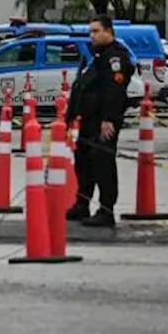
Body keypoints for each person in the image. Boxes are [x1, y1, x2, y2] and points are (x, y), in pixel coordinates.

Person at [66, 14, 134, 228]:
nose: (92, 36)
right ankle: (82, 204)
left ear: (108, 31)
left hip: (103, 121)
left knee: (103, 164)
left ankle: (106, 211)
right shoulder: (98, 57)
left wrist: (108, 120)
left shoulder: (115, 58)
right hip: (88, 120)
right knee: (83, 162)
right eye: (90, 31)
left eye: (96, 31)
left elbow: (114, 92)